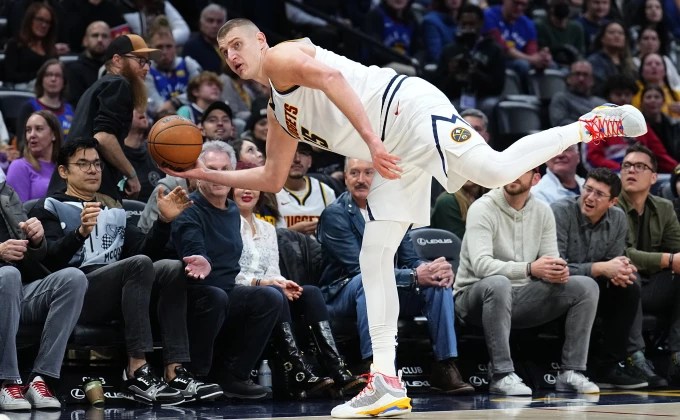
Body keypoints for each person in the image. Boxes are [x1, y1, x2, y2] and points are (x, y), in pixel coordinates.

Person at [162, 18, 647, 417]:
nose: (232, 55)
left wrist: (371, 144)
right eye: (224, 51)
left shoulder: (282, 56)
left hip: (407, 110)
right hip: (391, 144)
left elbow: (332, 79)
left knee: (494, 169)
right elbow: (270, 178)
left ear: (260, 39)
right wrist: (200, 170)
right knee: (375, 255)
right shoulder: (278, 107)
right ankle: (386, 381)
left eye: (237, 43)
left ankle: (588, 124)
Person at [30, 137, 222, 404]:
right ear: (63, 171)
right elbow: (49, 263)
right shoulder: (49, 207)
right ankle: (137, 370)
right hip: (76, 291)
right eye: (83, 164)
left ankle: (174, 370)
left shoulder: (114, 208)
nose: (93, 170)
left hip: (120, 287)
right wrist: (79, 233)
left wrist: (163, 221)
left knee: (171, 268)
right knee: (138, 265)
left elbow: (143, 251)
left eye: (96, 164)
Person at [318, 157, 474, 395]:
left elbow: (412, 260)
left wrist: (432, 269)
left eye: (368, 173)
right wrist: (413, 276)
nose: (361, 180)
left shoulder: (392, 209)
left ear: (380, 177)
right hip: (344, 292)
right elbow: (358, 269)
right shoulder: (335, 215)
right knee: (367, 283)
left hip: (390, 285)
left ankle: (445, 366)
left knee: (437, 283)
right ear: (346, 176)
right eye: (354, 173)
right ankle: (375, 369)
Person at [455, 168, 600, 396]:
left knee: (585, 287)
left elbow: (549, 260)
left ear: (535, 178)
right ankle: (502, 375)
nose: (514, 174)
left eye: (523, 169)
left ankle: (571, 372)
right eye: (512, 166)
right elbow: (481, 266)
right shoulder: (482, 208)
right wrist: (531, 268)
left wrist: (555, 271)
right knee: (499, 283)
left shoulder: (542, 210)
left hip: (521, 296)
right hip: (472, 298)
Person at [230, 160, 365, 397]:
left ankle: (337, 368)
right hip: (239, 292)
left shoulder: (266, 228)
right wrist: (265, 284)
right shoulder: (225, 225)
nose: (247, 190)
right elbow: (228, 272)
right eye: (241, 184)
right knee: (273, 293)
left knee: (309, 291)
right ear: (231, 188)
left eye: (253, 184)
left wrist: (283, 283)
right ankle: (299, 371)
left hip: (267, 291)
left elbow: (272, 269)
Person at [170, 141, 282, 399]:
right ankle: (196, 377)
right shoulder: (188, 208)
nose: (217, 176)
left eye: (224, 169)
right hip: (191, 292)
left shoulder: (232, 211)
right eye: (210, 169)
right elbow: (191, 243)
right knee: (216, 296)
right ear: (198, 173)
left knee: (270, 297)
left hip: (226, 290)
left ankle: (234, 374)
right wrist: (200, 259)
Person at [551, 168, 649, 389]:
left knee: (630, 284)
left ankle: (609, 366)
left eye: (599, 194)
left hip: (596, 286)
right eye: (588, 189)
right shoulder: (560, 212)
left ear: (612, 201)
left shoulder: (618, 218)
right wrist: (599, 268)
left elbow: (612, 262)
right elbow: (556, 269)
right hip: (559, 286)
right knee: (586, 286)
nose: (590, 197)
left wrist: (620, 269)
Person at [0, 182, 87, 410]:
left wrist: (36, 239)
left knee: (73, 278)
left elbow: (34, 252)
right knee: (8, 275)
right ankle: (7, 381)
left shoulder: (5, 192)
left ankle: (41, 379)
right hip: (6, 281)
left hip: (18, 289)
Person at [46, 34, 160, 202]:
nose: (146, 68)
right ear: (117, 60)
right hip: (90, 193)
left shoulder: (96, 87)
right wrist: (131, 174)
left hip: (72, 189)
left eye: (148, 62)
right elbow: (103, 137)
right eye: (140, 61)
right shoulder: (118, 84)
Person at [616, 143, 680, 386]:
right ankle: (635, 358)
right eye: (627, 166)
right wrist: (667, 260)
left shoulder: (664, 207)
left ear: (654, 176)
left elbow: (677, 248)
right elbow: (622, 253)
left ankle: (676, 356)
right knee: (626, 272)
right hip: (616, 286)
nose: (632, 170)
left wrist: (674, 259)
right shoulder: (611, 205)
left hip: (652, 286)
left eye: (640, 166)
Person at [430, 108, 490, 238]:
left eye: (477, 129)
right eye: (466, 128)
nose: (471, 134)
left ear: (486, 137)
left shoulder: (493, 189)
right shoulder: (447, 200)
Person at [434, 4, 505, 106]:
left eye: (472, 24)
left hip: (483, 98)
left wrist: (476, 73)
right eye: (464, 24)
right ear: (458, 23)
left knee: (491, 104)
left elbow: (498, 87)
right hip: (455, 98)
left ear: (481, 23)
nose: (468, 28)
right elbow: (438, 88)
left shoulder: (494, 50)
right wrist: (451, 74)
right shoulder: (449, 51)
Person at [483, 0, 552, 85]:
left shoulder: (528, 24)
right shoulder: (489, 15)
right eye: (516, 3)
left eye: (523, 5)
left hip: (518, 61)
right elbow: (502, 47)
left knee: (552, 66)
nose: (519, 8)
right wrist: (531, 59)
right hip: (493, 62)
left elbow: (532, 52)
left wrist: (542, 59)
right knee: (522, 65)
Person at [145, 17, 202, 116]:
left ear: (175, 48)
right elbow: (157, 106)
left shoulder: (188, 64)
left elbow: (201, 92)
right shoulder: (146, 70)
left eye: (169, 46)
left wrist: (174, 102)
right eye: (159, 47)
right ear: (150, 49)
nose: (165, 52)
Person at [276, 143, 336, 234]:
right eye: (290, 151)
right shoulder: (270, 193)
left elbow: (336, 234)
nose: (297, 159)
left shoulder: (326, 192)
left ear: (310, 161)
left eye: (303, 153)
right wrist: (292, 232)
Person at [16, 59, 74, 146]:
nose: (53, 79)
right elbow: (22, 143)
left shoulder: (70, 109)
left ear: (64, 81)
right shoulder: (29, 107)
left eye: (57, 75)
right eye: (48, 75)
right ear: (41, 79)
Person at [6, 111, 61, 202]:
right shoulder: (19, 166)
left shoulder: (64, 168)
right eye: (28, 130)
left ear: (53, 135)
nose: (32, 135)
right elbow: (16, 212)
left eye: (39, 129)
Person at [3, 3, 58, 90]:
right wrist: (39, 74)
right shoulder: (15, 44)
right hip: (20, 92)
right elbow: (10, 75)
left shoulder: (51, 49)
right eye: (40, 19)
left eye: (48, 22)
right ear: (30, 20)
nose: (44, 25)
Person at [65, 21, 112, 107]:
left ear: (110, 41)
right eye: (95, 35)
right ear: (85, 41)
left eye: (104, 36)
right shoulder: (73, 70)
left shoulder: (114, 70)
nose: (100, 40)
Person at [123, 108, 165, 202]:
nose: (141, 110)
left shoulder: (156, 153)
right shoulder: (114, 156)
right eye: (133, 107)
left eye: (141, 107)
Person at [587, 22, 638, 97]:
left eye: (620, 33)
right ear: (602, 38)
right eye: (611, 32)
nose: (617, 36)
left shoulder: (630, 64)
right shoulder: (594, 61)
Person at [549, 61, 605, 127]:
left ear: (592, 80)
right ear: (569, 78)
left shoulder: (601, 103)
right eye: (577, 74)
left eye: (585, 75)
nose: (581, 79)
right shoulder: (561, 99)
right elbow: (560, 123)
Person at [637, 84, 680, 163]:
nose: (653, 100)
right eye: (648, 97)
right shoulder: (635, 125)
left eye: (657, 97)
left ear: (663, 101)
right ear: (642, 102)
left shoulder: (675, 125)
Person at [536, 0, 586, 65]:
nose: (562, 23)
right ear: (552, 10)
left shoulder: (577, 28)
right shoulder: (541, 26)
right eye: (558, 20)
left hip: (572, 64)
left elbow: (581, 53)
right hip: (550, 63)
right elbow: (541, 51)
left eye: (564, 20)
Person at [182, 4, 227, 74]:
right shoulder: (191, 47)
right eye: (210, 21)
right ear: (201, 23)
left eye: (219, 21)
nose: (214, 25)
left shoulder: (231, 45)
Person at [632, 53, 680, 118]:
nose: (653, 66)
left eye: (658, 64)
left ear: (665, 71)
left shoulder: (676, 94)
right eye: (649, 64)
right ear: (642, 71)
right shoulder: (633, 91)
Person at [123, 0, 190, 46]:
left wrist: (165, 38)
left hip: (162, 48)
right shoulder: (123, 7)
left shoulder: (162, 4)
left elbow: (184, 30)